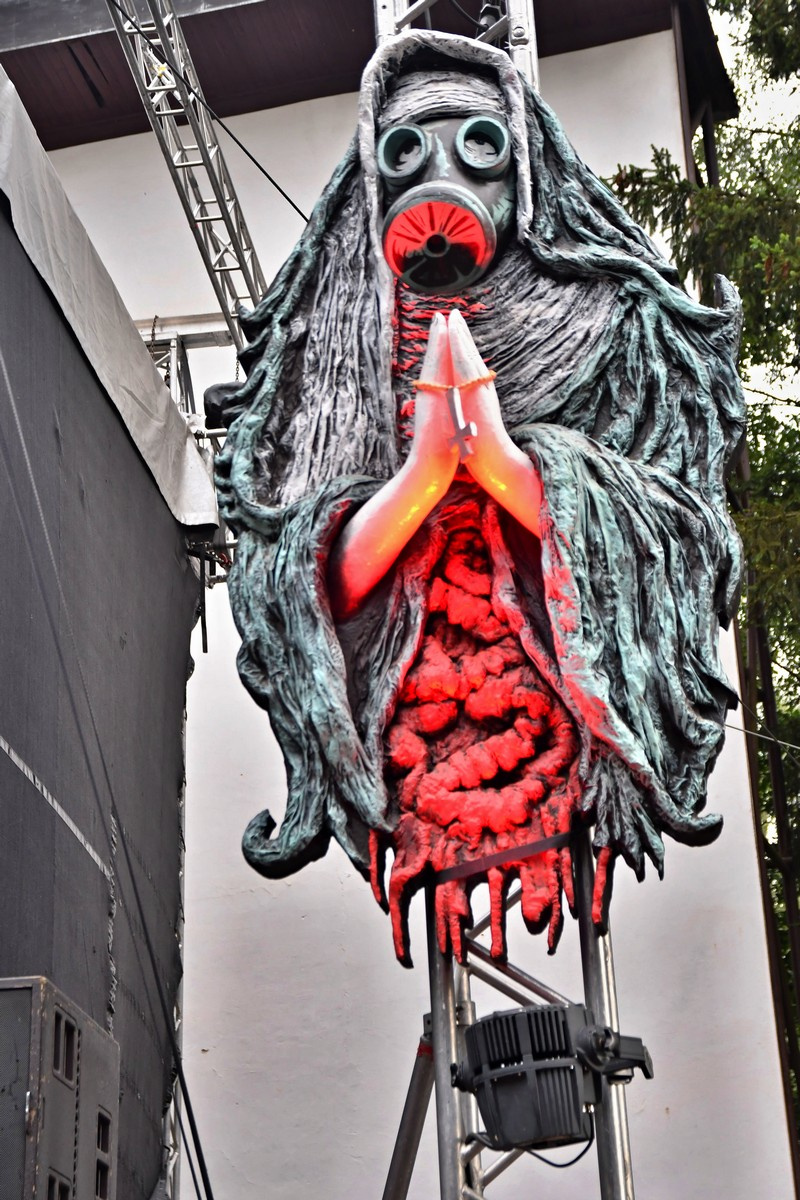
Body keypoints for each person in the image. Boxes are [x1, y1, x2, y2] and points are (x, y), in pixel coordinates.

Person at [216, 30, 745, 964]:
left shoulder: (619, 326)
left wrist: (509, 467)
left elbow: (683, 525)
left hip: (547, 725)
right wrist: (420, 480)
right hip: (420, 731)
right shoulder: (331, 351)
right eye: (405, 153)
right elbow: (287, 571)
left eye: (478, 147)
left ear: (527, 172)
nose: (441, 178)